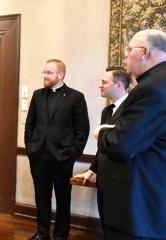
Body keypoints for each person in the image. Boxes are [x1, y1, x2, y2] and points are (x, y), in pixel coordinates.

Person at [95, 29, 166, 239]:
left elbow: (122, 145)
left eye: (129, 51)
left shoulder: (151, 87)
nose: (126, 56)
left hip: (140, 201)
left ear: (143, 51)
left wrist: (103, 134)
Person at [25, 59, 90, 240]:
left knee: (63, 200)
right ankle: (42, 234)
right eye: (44, 72)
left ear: (60, 75)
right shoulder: (38, 95)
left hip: (62, 158)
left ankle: (61, 236)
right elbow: (30, 125)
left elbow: (82, 129)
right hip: (38, 157)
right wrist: (30, 148)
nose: (44, 76)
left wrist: (73, 153)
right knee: (41, 198)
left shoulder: (75, 97)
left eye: (49, 73)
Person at [72, 67, 131, 232]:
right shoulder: (107, 110)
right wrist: (91, 171)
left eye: (104, 82)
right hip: (104, 177)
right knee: (106, 222)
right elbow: (103, 146)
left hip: (120, 177)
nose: (100, 85)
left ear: (119, 85)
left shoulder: (130, 109)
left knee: (119, 226)